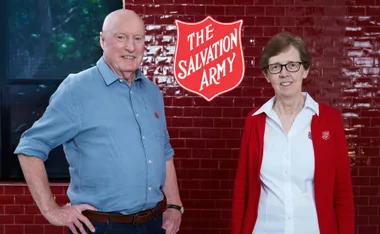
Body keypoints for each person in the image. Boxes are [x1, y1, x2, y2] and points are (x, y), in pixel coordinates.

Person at [14, 9, 183, 234]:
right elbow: (30, 147)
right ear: (103, 40)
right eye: (121, 37)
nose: (130, 47)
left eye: (138, 38)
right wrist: (51, 210)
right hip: (101, 226)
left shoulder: (152, 93)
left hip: (153, 223)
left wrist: (173, 205)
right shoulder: (77, 89)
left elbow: (164, 151)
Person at [231, 32, 355, 234]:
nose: (284, 73)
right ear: (267, 75)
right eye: (275, 67)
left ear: (305, 70)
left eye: (292, 65)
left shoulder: (330, 120)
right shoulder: (254, 121)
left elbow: (342, 192)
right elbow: (241, 189)